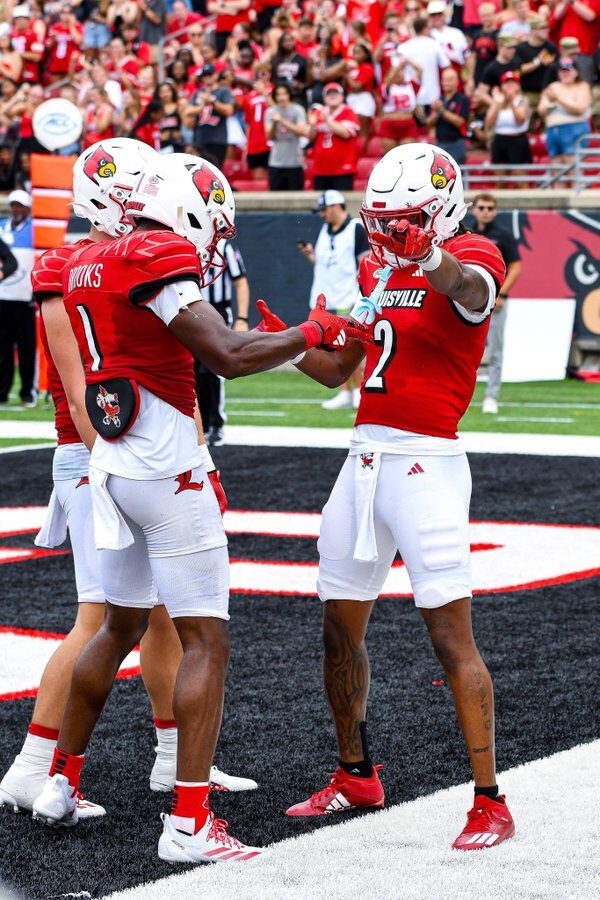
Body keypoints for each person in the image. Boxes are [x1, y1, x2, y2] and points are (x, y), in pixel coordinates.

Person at [31, 151, 371, 863]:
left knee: (115, 628)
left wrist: (279, 338)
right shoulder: (157, 250)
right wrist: (311, 334)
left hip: (114, 465)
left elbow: (210, 343)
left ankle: (61, 781)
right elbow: (223, 353)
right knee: (205, 641)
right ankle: (189, 822)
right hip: (163, 468)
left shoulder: (95, 256)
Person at [259, 143, 515, 851]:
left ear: (436, 211)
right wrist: (282, 340)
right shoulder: (376, 265)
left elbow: (468, 291)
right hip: (362, 457)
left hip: (426, 462)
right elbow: (342, 365)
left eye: (401, 220)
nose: (385, 232)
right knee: (337, 629)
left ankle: (490, 800)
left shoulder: (473, 251)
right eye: (382, 220)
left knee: (448, 635)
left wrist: (428, 255)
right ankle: (355, 772)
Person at [0, 141, 255, 818]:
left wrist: (200, 455)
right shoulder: (74, 265)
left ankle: (174, 759)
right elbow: (87, 396)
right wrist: (112, 467)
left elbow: (176, 378)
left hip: (135, 448)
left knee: (164, 619)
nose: (142, 205)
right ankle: (33, 768)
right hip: (97, 452)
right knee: (101, 620)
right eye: (129, 192)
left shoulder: (128, 260)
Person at [298, 189, 369, 410]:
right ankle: (345, 392)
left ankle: (359, 390)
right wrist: (309, 254)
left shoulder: (356, 228)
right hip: (325, 297)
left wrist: (362, 296)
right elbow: (323, 264)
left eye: (324, 210)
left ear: (336, 206)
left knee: (348, 345)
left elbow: (364, 263)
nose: (321, 215)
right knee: (331, 347)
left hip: (347, 294)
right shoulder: (324, 230)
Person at [465, 193, 522, 414]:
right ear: (474, 210)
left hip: (495, 300)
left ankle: (491, 395)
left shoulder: (504, 235)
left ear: (495, 211)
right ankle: (463, 395)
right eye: (482, 207)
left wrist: (502, 294)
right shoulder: (466, 232)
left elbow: (516, 267)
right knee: (465, 349)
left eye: (490, 208)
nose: (486, 211)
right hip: (467, 300)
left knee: (496, 350)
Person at [195, 240, 250, 447]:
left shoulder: (225, 247)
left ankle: (216, 424)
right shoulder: (187, 242)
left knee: (211, 371)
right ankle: (201, 425)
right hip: (191, 312)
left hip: (217, 312)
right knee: (191, 372)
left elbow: (240, 281)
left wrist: (242, 318)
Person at [0, 190, 35, 407]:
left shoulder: (35, 229)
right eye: (13, 205)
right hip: (3, 296)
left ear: (28, 208)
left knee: (26, 349)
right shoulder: (1, 226)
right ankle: (2, 391)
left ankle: (27, 392)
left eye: (20, 206)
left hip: (25, 297)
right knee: (2, 349)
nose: (16, 209)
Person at [538, 56, 592, 168]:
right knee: (556, 170)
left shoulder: (582, 86)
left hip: (574, 129)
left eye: (568, 70)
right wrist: (550, 105)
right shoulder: (552, 86)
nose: (565, 73)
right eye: (562, 70)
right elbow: (541, 110)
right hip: (552, 131)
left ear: (576, 72)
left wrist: (558, 100)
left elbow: (580, 108)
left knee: (573, 168)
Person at [307, 82, 360, 191]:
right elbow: (311, 137)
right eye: (329, 94)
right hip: (320, 169)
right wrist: (312, 126)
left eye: (335, 93)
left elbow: (346, 133)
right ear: (324, 97)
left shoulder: (348, 112)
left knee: (341, 203)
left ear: (342, 96)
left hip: (342, 168)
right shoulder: (318, 113)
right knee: (322, 205)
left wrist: (327, 121)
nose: (332, 96)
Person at [185, 63, 235, 167]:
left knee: (214, 172)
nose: (207, 78)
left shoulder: (223, 91)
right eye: (205, 76)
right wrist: (201, 106)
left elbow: (229, 110)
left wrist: (212, 101)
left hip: (218, 140)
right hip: (199, 139)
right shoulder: (198, 92)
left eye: (210, 75)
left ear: (215, 75)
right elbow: (187, 111)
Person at [485, 71, 531, 182]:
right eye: (506, 83)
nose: (509, 85)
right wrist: (497, 103)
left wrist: (511, 103)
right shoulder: (497, 101)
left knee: (520, 180)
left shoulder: (522, 100)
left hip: (517, 140)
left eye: (513, 82)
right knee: (500, 180)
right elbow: (489, 121)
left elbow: (520, 119)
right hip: (500, 140)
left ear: (518, 85)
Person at [398, 16, 451, 107]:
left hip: (410, 96)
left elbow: (397, 71)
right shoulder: (434, 44)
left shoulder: (403, 47)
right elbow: (447, 66)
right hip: (432, 96)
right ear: (425, 29)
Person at [264, 82, 308, 190]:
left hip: (295, 162)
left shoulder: (298, 110)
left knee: (296, 200)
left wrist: (281, 121)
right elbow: (269, 137)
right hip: (276, 162)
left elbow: (302, 131)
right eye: (278, 95)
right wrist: (275, 123)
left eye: (284, 94)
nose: (282, 97)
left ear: (289, 95)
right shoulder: (270, 112)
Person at [547, 0, 600, 84]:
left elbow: (590, 16)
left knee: (583, 82)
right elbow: (556, 16)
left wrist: (572, 2)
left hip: (583, 53)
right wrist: (564, 3)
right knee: (564, 82)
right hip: (564, 52)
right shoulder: (564, 2)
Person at [427, 67, 469, 164]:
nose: (446, 83)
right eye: (444, 80)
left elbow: (459, 122)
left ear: (457, 82)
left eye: (449, 80)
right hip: (439, 143)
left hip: (456, 144)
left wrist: (441, 111)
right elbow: (428, 123)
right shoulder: (439, 99)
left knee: (455, 174)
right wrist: (436, 112)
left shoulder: (462, 99)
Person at [378, 57, 421, 153]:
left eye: (401, 72)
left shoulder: (411, 85)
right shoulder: (386, 86)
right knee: (390, 156)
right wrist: (400, 65)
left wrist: (407, 61)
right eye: (396, 72)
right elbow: (390, 79)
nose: (399, 74)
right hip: (389, 124)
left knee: (407, 155)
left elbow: (419, 70)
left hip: (407, 123)